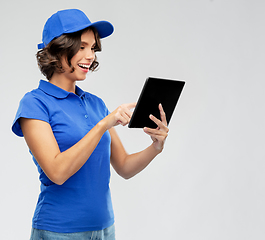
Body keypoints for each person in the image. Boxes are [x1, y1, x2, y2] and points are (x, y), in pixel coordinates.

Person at [12, 9, 169, 240]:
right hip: (59, 232)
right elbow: (57, 172)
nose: (91, 55)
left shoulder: (96, 104)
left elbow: (124, 166)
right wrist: (103, 124)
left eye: (93, 48)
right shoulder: (35, 104)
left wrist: (155, 147)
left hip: (105, 229)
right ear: (59, 48)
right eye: (82, 46)